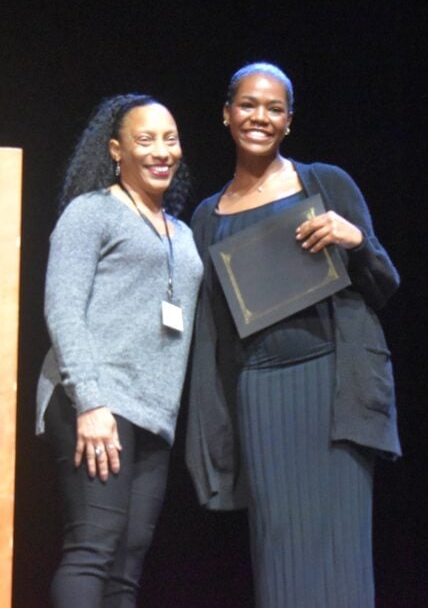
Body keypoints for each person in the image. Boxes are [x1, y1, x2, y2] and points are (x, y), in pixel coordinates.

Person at [185, 62, 401, 607]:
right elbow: (211, 334)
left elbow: (384, 286)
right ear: (227, 113)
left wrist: (356, 241)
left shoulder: (325, 183)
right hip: (261, 394)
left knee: (340, 553)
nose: (260, 117)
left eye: (274, 108)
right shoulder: (207, 218)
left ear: (289, 122)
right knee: (279, 555)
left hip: (333, 390)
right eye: (249, 105)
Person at [36, 94, 203, 607]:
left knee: (127, 565)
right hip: (96, 402)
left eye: (170, 139)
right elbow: (62, 308)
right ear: (116, 150)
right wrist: (89, 401)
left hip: (154, 416)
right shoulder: (93, 212)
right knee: (93, 547)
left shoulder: (184, 234)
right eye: (145, 139)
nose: (161, 151)